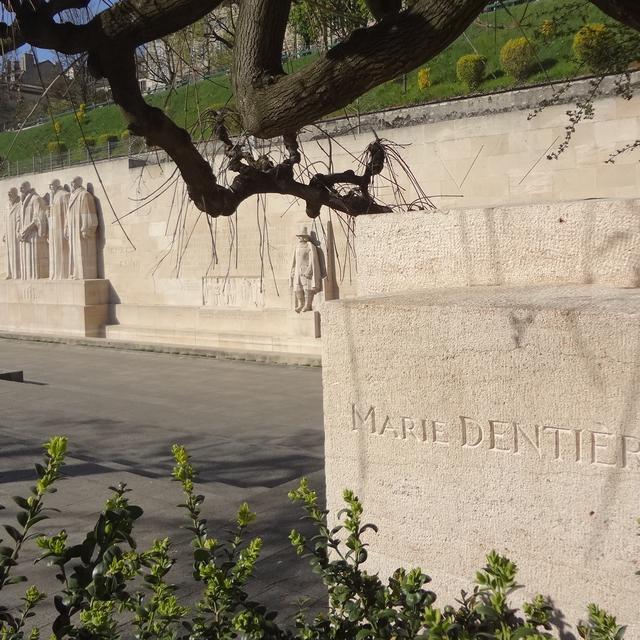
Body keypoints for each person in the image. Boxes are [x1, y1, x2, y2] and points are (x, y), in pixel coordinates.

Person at [66, 176, 98, 279]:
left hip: (80, 228)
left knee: (82, 251)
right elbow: (68, 214)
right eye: (70, 182)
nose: (71, 184)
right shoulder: (72, 196)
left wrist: (86, 228)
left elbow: (88, 212)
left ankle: (84, 274)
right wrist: (66, 227)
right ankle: (76, 273)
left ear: (79, 183)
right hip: (73, 228)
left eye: (73, 182)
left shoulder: (84, 195)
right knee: (74, 252)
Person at [290, 225, 323, 313]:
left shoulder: (310, 246)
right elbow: (294, 259)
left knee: (307, 288)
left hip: (306, 270)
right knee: (297, 288)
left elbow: (313, 259)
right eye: (299, 236)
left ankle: (308, 305)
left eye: (302, 236)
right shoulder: (297, 246)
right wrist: (293, 269)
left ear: (305, 237)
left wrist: (310, 269)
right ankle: (301, 304)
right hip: (298, 271)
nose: (300, 237)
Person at [18, 181, 48, 279]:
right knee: (26, 262)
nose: (20, 189)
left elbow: (39, 216)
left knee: (34, 262)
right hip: (25, 235)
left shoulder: (36, 199)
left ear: (28, 188)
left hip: (33, 234)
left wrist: (28, 228)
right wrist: (19, 230)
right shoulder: (22, 202)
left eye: (22, 187)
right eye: (20, 187)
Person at [48, 178, 70, 279]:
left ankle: (63, 274)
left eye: (52, 185)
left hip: (61, 229)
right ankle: (56, 274)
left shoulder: (64, 195)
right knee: (54, 252)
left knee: (62, 252)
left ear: (57, 185)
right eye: (49, 186)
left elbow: (67, 213)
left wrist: (66, 227)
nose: (50, 187)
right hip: (53, 231)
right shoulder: (54, 197)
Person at [2, 187, 21, 279]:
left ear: (15, 193)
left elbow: (19, 219)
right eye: (8, 193)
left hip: (15, 232)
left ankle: (16, 273)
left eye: (10, 193)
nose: (9, 195)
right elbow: (5, 220)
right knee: (8, 253)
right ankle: (9, 273)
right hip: (8, 232)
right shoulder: (7, 205)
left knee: (16, 253)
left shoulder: (20, 203)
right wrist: (4, 234)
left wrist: (18, 230)